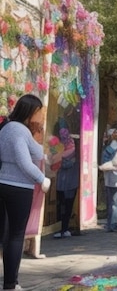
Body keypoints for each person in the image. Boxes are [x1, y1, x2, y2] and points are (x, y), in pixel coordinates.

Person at [0, 94, 51, 291]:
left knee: (6, 235)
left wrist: (36, 131)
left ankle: (11, 282)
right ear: (30, 112)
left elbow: (38, 153)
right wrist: (42, 179)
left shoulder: (7, 127)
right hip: (18, 188)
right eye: (38, 112)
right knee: (15, 236)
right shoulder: (19, 131)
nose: (40, 116)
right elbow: (25, 161)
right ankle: (11, 284)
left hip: (3, 183)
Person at [49, 120, 79, 238]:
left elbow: (55, 161)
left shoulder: (65, 144)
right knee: (64, 204)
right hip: (66, 180)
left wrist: (58, 160)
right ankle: (63, 228)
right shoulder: (68, 144)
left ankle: (64, 228)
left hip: (66, 179)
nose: (63, 133)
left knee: (65, 204)